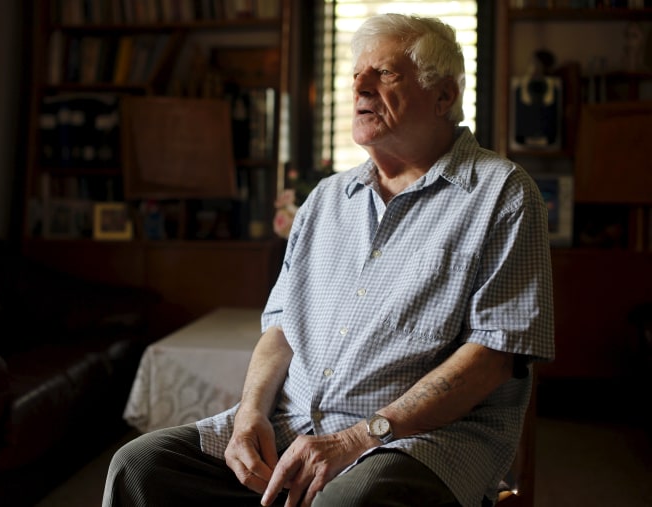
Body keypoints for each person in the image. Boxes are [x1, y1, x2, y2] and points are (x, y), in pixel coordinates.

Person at [103, 13, 554, 507]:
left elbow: (493, 357)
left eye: (384, 73)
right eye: (357, 73)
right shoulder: (325, 199)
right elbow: (280, 329)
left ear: (443, 96)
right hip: (292, 427)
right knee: (140, 466)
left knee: (345, 502)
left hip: (412, 443)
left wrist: (358, 438)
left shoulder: (502, 195)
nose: (359, 84)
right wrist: (250, 413)